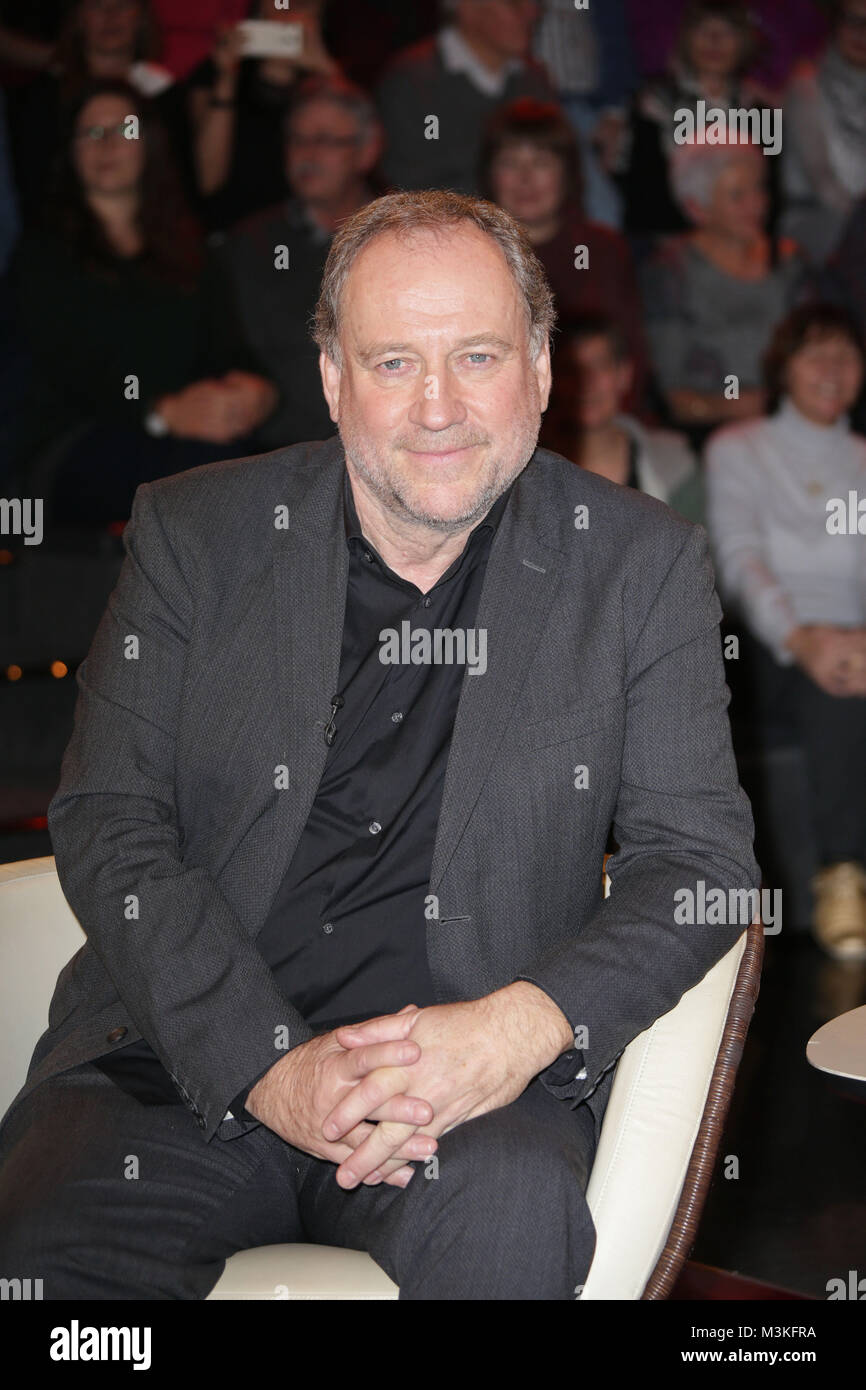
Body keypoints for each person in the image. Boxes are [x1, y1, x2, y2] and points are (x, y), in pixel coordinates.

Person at [0, 189, 759, 1300]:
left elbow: (697, 864)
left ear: (541, 369)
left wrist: (513, 1031)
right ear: (331, 379)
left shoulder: (639, 567)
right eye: (393, 361)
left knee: (511, 1225)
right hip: (173, 1067)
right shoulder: (195, 537)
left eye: (479, 356)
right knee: (42, 1257)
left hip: (465, 1094)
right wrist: (263, 1064)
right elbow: (109, 821)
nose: (439, 406)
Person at [9, 82, 277, 524]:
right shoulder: (43, 255)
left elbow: (229, 351)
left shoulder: (192, 251)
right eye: (90, 133)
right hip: (74, 444)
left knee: (269, 473)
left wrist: (256, 393)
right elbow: (68, 373)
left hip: (189, 440)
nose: (107, 144)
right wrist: (161, 414)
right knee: (212, 482)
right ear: (71, 152)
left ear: (150, 144)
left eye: (124, 129)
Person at [706, 304, 866, 959]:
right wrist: (803, 639)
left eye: (846, 355)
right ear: (782, 368)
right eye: (813, 354)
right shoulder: (740, 448)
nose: (832, 369)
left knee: (845, 671)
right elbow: (740, 562)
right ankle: (841, 875)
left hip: (859, 643)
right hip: (769, 647)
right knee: (831, 682)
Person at [216, 76, 382, 450]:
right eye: (298, 139)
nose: (307, 154)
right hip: (274, 454)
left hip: (381, 447)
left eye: (324, 140)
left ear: (367, 150)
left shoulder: (399, 237)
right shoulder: (248, 244)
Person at [480, 98, 648, 414]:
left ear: (567, 174)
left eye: (542, 162)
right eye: (509, 163)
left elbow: (631, 355)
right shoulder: (472, 254)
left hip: (596, 415)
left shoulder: (603, 250)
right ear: (490, 174)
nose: (525, 179)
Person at [641, 139, 808, 439]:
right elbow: (676, 398)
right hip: (709, 434)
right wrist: (761, 407)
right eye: (737, 196)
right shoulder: (670, 273)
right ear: (697, 207)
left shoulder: (789, 262)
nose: (756, 205)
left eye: (759, 189)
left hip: (794, 424)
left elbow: (816, 351)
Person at [620, 0, 774, 250]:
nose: (714, 40)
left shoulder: (760, 112)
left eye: (727, 32)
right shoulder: (653, 104)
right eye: (703, 30)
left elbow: (769, 197)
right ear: (686, 39)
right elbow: (643, 195)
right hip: (669, 239)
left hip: (740, 238)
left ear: (743, 43)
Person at [6, 0, 174, 226]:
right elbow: (35, 188)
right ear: (78, 18)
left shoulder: (164, 93)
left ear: (141, 16)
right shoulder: (42, 99)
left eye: (122, 5)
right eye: (96, 5)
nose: (111, 16)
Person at [185, 0, 342, 233]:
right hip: (232, 229)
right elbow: (208, 178)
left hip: (316, 229)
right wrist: (227, 77)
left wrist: (325, 69)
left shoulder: (338, 71)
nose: (290, 10)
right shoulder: (217, 71)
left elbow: (360, 149)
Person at [375, 0, 555, 197]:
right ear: (467, 8)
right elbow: (412, 182)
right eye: (514, 4)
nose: (533, 13)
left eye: (536, 3)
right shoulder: (413, 80)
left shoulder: (534, 79)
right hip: (444, 223)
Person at [541, 314, 704, 523]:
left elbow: (699, 551)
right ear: (550, 378)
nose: (586, 381)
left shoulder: (674, 466)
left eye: (600, 366)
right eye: (572, 368)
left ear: (624, 376)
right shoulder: (524, 469)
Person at [781, 0, 866, 265]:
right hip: (818, 226)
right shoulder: (806, 85)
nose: (861, 33)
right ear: (836, 23)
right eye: (853, 21)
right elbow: (822, 180)